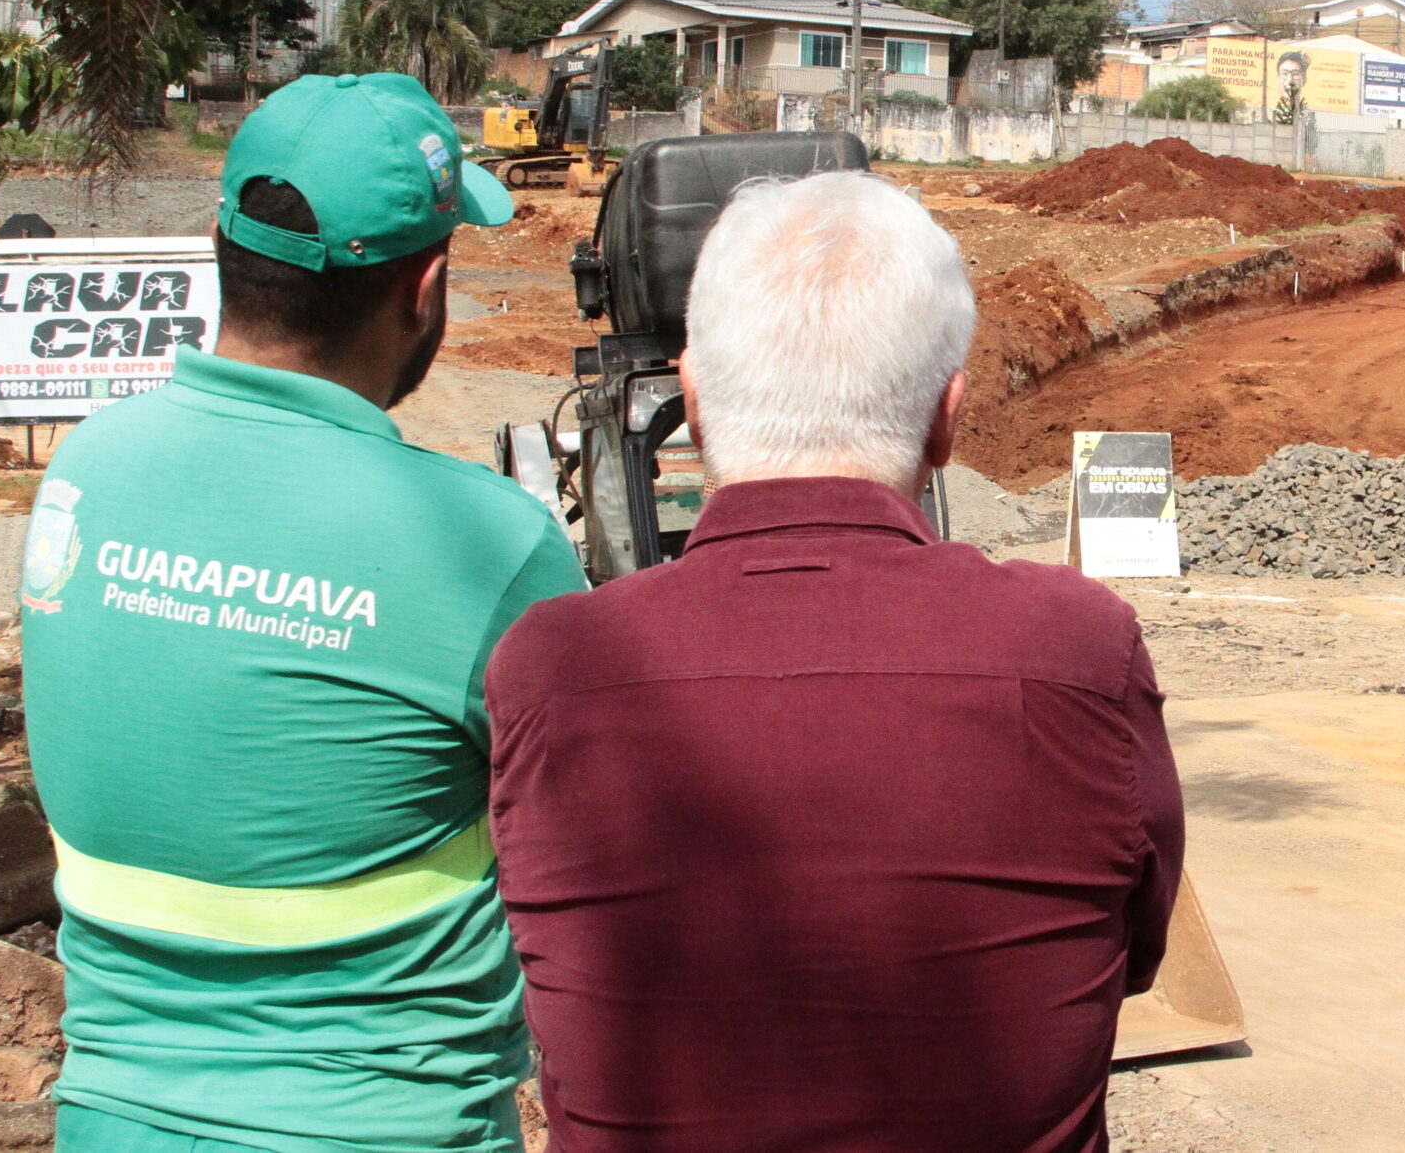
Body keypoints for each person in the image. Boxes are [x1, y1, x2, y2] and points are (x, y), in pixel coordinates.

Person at [486, 170, 1183, 1151]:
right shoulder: (1081, 653)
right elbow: (1135, 954)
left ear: (688, 397)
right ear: (948, 415)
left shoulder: (550, 671)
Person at [21, 73, 588, 1153]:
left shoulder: (88, 468)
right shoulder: (490, 543)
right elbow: (601, 865)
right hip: (384, 1127)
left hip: (109, 1121)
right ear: (425, 287)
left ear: (223, 245)